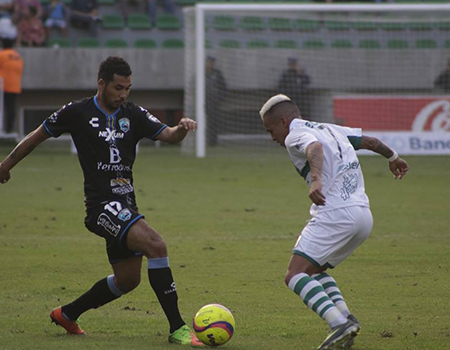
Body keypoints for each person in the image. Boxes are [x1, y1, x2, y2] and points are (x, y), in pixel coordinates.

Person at [0, 56, 204, 347]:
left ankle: (67, 314)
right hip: (100, 207)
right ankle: (178, 329)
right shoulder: (77, 112)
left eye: (128, 88)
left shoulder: (132, 113)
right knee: (156, 246)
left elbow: (169, 135)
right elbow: (36, 136)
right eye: (118, 87)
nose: (123, 94)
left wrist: (182, 127)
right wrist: (5, 165)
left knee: (127, 280)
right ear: (102, 84)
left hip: (126, 205)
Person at [259, 94, 409, 350]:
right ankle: (346, 319)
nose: (272, 137)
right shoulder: (330, 128)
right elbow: (370, 141)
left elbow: (314, 148)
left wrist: (316, 179)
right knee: (315, 271)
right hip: (363, 215)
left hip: (335, 214)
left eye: (270, 130)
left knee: (294, 275)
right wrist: (393, 157)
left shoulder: (296, 134)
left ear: (284, 121)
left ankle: (338, 325)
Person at [0, 37, 23, 134]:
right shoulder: (18, 56)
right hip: (15, 86)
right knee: (11, 109)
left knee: (2, 108)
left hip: (3, 86)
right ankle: (9, 130)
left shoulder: (2, 55)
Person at [205, 56, 227, 146]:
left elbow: (223, 87)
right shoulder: (201, 73)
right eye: (209, 62)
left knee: (213, 122)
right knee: (204, 121)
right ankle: (203, 140)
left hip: (214, 101)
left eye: (212, 62)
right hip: (204, 101)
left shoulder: (217, 73)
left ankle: (212, 141)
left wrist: (220, 98)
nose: (211, 64)